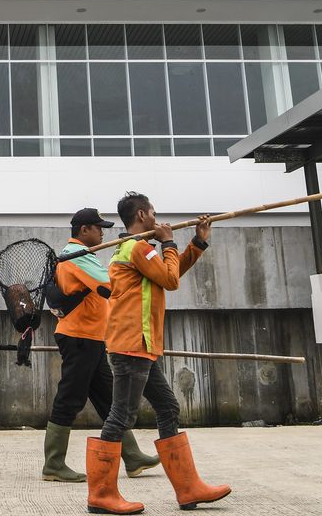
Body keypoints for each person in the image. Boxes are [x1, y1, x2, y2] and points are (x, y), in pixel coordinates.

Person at [85, 193, 230, 515]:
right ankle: (101, 494)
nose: (157, 216)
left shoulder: (140, 249)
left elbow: (170, 272)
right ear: (142, 214)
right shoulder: (136, 248)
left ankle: (188, 488)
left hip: (143, 345)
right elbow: (169, 278)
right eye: (153, 212)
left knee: (167, 406)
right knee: (121, 416)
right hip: (131, 344)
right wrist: (168, 242)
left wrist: (197, 242)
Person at [43, 207, 159, 484]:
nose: (102, 233)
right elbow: (110, 287)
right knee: (70, 397)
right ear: (84, 230)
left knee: (109, 399)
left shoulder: (79, 256)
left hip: (91, 337)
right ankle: (53, 465)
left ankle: (132, 457)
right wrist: (134, 258)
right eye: (99, 228)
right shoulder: (78, 256)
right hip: (79, 337)